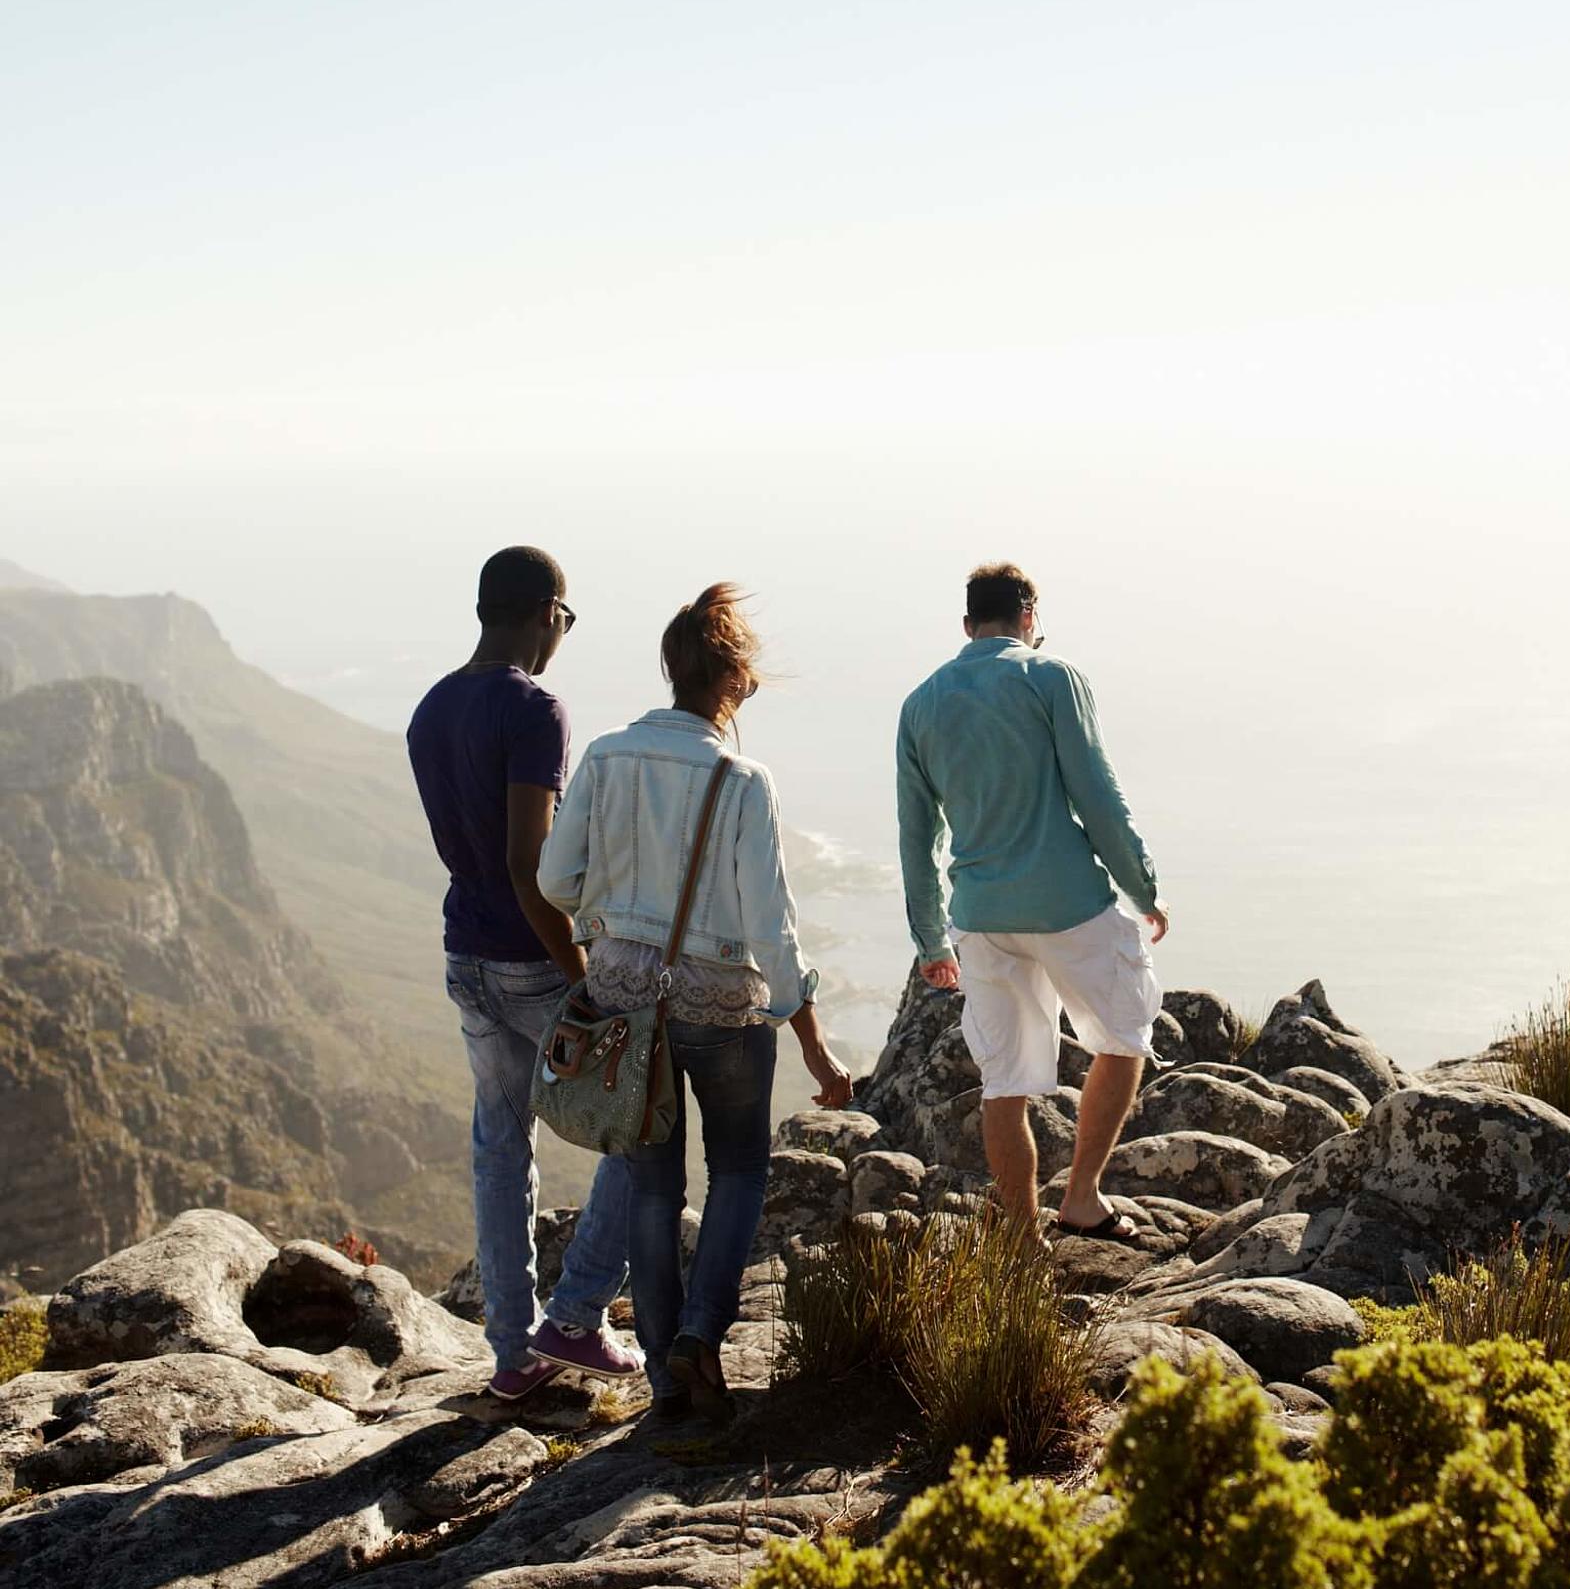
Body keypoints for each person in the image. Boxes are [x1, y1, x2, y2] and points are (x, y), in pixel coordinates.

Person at [539, 583, 853, 1423]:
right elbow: (772, 927)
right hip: (721, 1006)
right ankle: (700, 1339)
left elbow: (554, 879)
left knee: (651, 1186)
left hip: (623, 996)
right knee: (740, 1173)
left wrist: (612, 921)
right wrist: (815, 1045)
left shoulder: (605, 756)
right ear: (735, 680)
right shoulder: (743, 779)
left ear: (670, 669)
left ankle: (663, 1378)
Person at [406, 546, 641, 1401]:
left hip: (463, 955)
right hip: (530, 960)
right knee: (639, 1125)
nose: (562, 638)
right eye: (566, 621)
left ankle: (512, 1359)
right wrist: (578, 974)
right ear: (546, 611)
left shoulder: (431, 709)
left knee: (500, 1150)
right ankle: (576, 1319)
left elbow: (472, 853)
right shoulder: (534, 708)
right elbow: (525, 859)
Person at [896, 563, 1168, 1241]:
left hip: (982, 919)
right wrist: (1143, 888)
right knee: (1124, 1036)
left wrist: (931, 941)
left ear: (967, 625)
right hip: (1069, 904)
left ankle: (1021, 1237)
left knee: (1005, 1081)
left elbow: (916, 836)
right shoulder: (1051, 678)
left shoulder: (921, 704)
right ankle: (1081, 1196)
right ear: (1029, 618)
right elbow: (1096, 795)